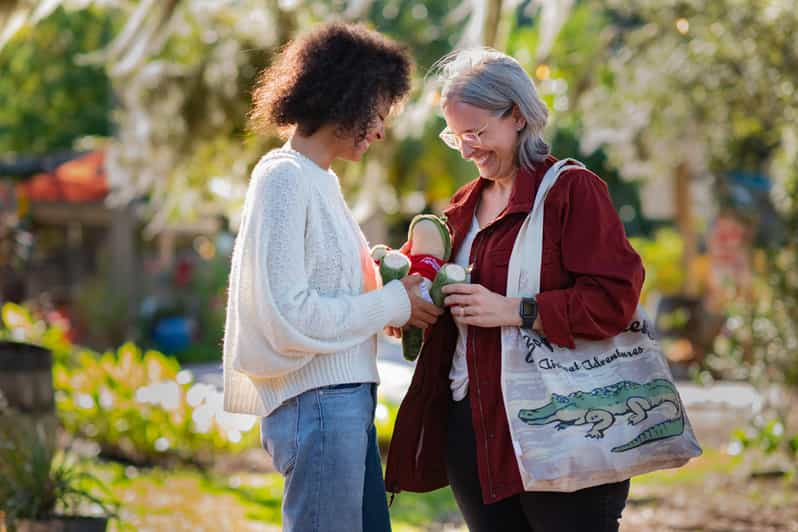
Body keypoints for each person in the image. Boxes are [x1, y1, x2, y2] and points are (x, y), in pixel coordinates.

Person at [384, 48, 645, 532]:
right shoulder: (462, 206)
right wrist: (410, 309)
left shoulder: (572, 191)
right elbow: (432, 290)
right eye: (455, 136)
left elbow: (614, 302)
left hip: (564, 424)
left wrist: (513, 310)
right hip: (474, 431)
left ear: (519, 116)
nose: (466, 150)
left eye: (477, 133)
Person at [222, 23, 442, 532]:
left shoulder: (318, 180)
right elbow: (288, 314)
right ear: (346, 98)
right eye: (377, 112)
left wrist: (389, 293)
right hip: (319, 406)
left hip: (339, 403)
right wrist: (389, 304)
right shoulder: (284, 177)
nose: (381, 131)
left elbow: (328, 295)